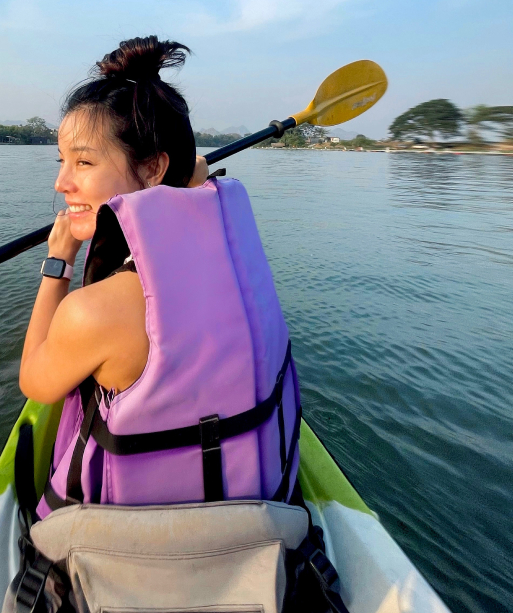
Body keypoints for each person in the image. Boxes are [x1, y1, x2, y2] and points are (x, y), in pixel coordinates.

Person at [19, 36, 300, 517]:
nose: (62, 183)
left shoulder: (95, 312)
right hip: (267, 516)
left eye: (84, 162)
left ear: (153, 168)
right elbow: (181, 183)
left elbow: (35, 382)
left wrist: (59, 260)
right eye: (62, 161)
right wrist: (177, 180)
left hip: (125, 552)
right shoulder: (233, 262)